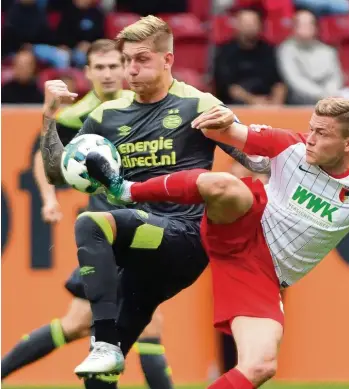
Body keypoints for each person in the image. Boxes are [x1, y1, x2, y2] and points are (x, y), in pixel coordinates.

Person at [88, 97, 349, 389]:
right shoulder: (290, 145)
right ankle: (127, 189)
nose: (311, 138)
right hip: (242, 225)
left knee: (261, 366)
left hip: (261, 275)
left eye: (322, 133)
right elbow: (230, 132)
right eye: (311, 127)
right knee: (226, 185)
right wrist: (223, 121)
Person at [39, 15, 270, 387]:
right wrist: (49, 117)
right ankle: (107, 348)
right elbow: (55, 173)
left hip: (185, 239)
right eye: (127, 59)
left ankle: (104, 343)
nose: (131, 69)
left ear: (168, 60)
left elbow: (259, 163)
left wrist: (237, 129)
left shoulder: (198, 104)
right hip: (143, 255)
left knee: (91, 223)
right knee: (99, 378)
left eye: (142, 59)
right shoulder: (107, 115)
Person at [2, 39, 174, 389]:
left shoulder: (142, 106)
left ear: (125, 68)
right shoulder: (78, 116)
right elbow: (42, 158)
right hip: (109, 235)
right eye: (100, 67)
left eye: (114, 66)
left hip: (144, 225)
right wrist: (49, 199)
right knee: (145, 326)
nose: (108, 74)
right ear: (88, 72)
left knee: (79, 323)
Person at [213, 7, 287, 105]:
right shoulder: (224, 51)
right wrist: (253, 101)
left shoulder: (269, 50)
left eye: (253, 22)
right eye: (245, 23)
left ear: (260, 25)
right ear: (237, 25)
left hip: (267, 103)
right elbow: (229, 88)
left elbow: (279, 83)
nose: (250, 26)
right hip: (236, 106)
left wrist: (276, 103)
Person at [277, 9, 342, 105]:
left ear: (316, 27)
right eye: (301, 24)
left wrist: (330, 94)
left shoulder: (328, 51)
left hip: (328, 102)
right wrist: (322, 95)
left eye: (309, 24)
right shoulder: (286, 49)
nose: (305, 28)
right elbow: (295, 80)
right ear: (294, 27)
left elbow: (335, 77)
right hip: (297, 104)